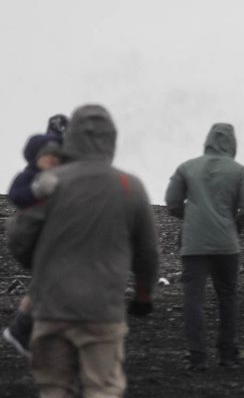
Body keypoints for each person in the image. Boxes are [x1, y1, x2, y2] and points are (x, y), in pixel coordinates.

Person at [6, 104, 159, 397]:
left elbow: (19, 236)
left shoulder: (52, 181)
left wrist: (39, 267)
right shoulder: (129, 186)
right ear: (111, 140)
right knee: (102, 388)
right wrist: (142, 296)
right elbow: (147, 253)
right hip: (102, 311)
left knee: (54, 388)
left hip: (51, 308)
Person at [165, 123, 244, 371]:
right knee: (227, 296)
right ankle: (228, 354)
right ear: (233, 143)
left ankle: (196, 356)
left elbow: (172, 202)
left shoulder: (187, 168)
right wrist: (234, 227)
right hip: (226, 244)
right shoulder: (240, 172)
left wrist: (192, 218)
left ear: (207, 141)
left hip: (193, 243)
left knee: (193, 297)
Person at [3, 114, 68, 357]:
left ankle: (25, 329)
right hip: (35, 239)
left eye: (56, 157)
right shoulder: (30, 177)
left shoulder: (61, 174)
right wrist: (36, 191)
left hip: (53, 238)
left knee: (48, 283)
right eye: (47, 156)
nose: (52, 160)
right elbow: (17, 195)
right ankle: (26, 330)